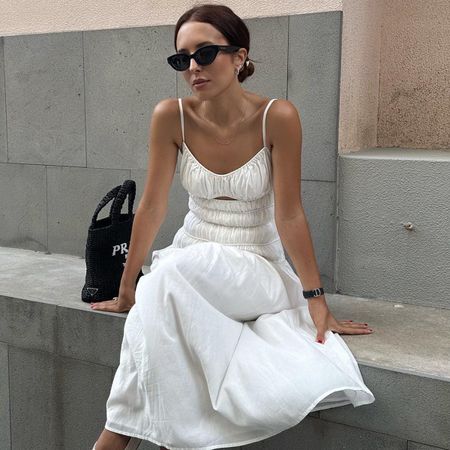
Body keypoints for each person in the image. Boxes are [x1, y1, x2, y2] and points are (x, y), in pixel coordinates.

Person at [90, 3, 375, 450]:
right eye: (181, 59)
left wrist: (316, 301)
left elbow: (290, 214)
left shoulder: (277, 116)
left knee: (163, 283)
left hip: (256, 268)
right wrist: (128, 290)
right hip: (190, 259)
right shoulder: (171, 115)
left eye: (205, 54)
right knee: (160, 291)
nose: (192, 68)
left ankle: (115, 440)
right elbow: (151, 207)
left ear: (240, 57)